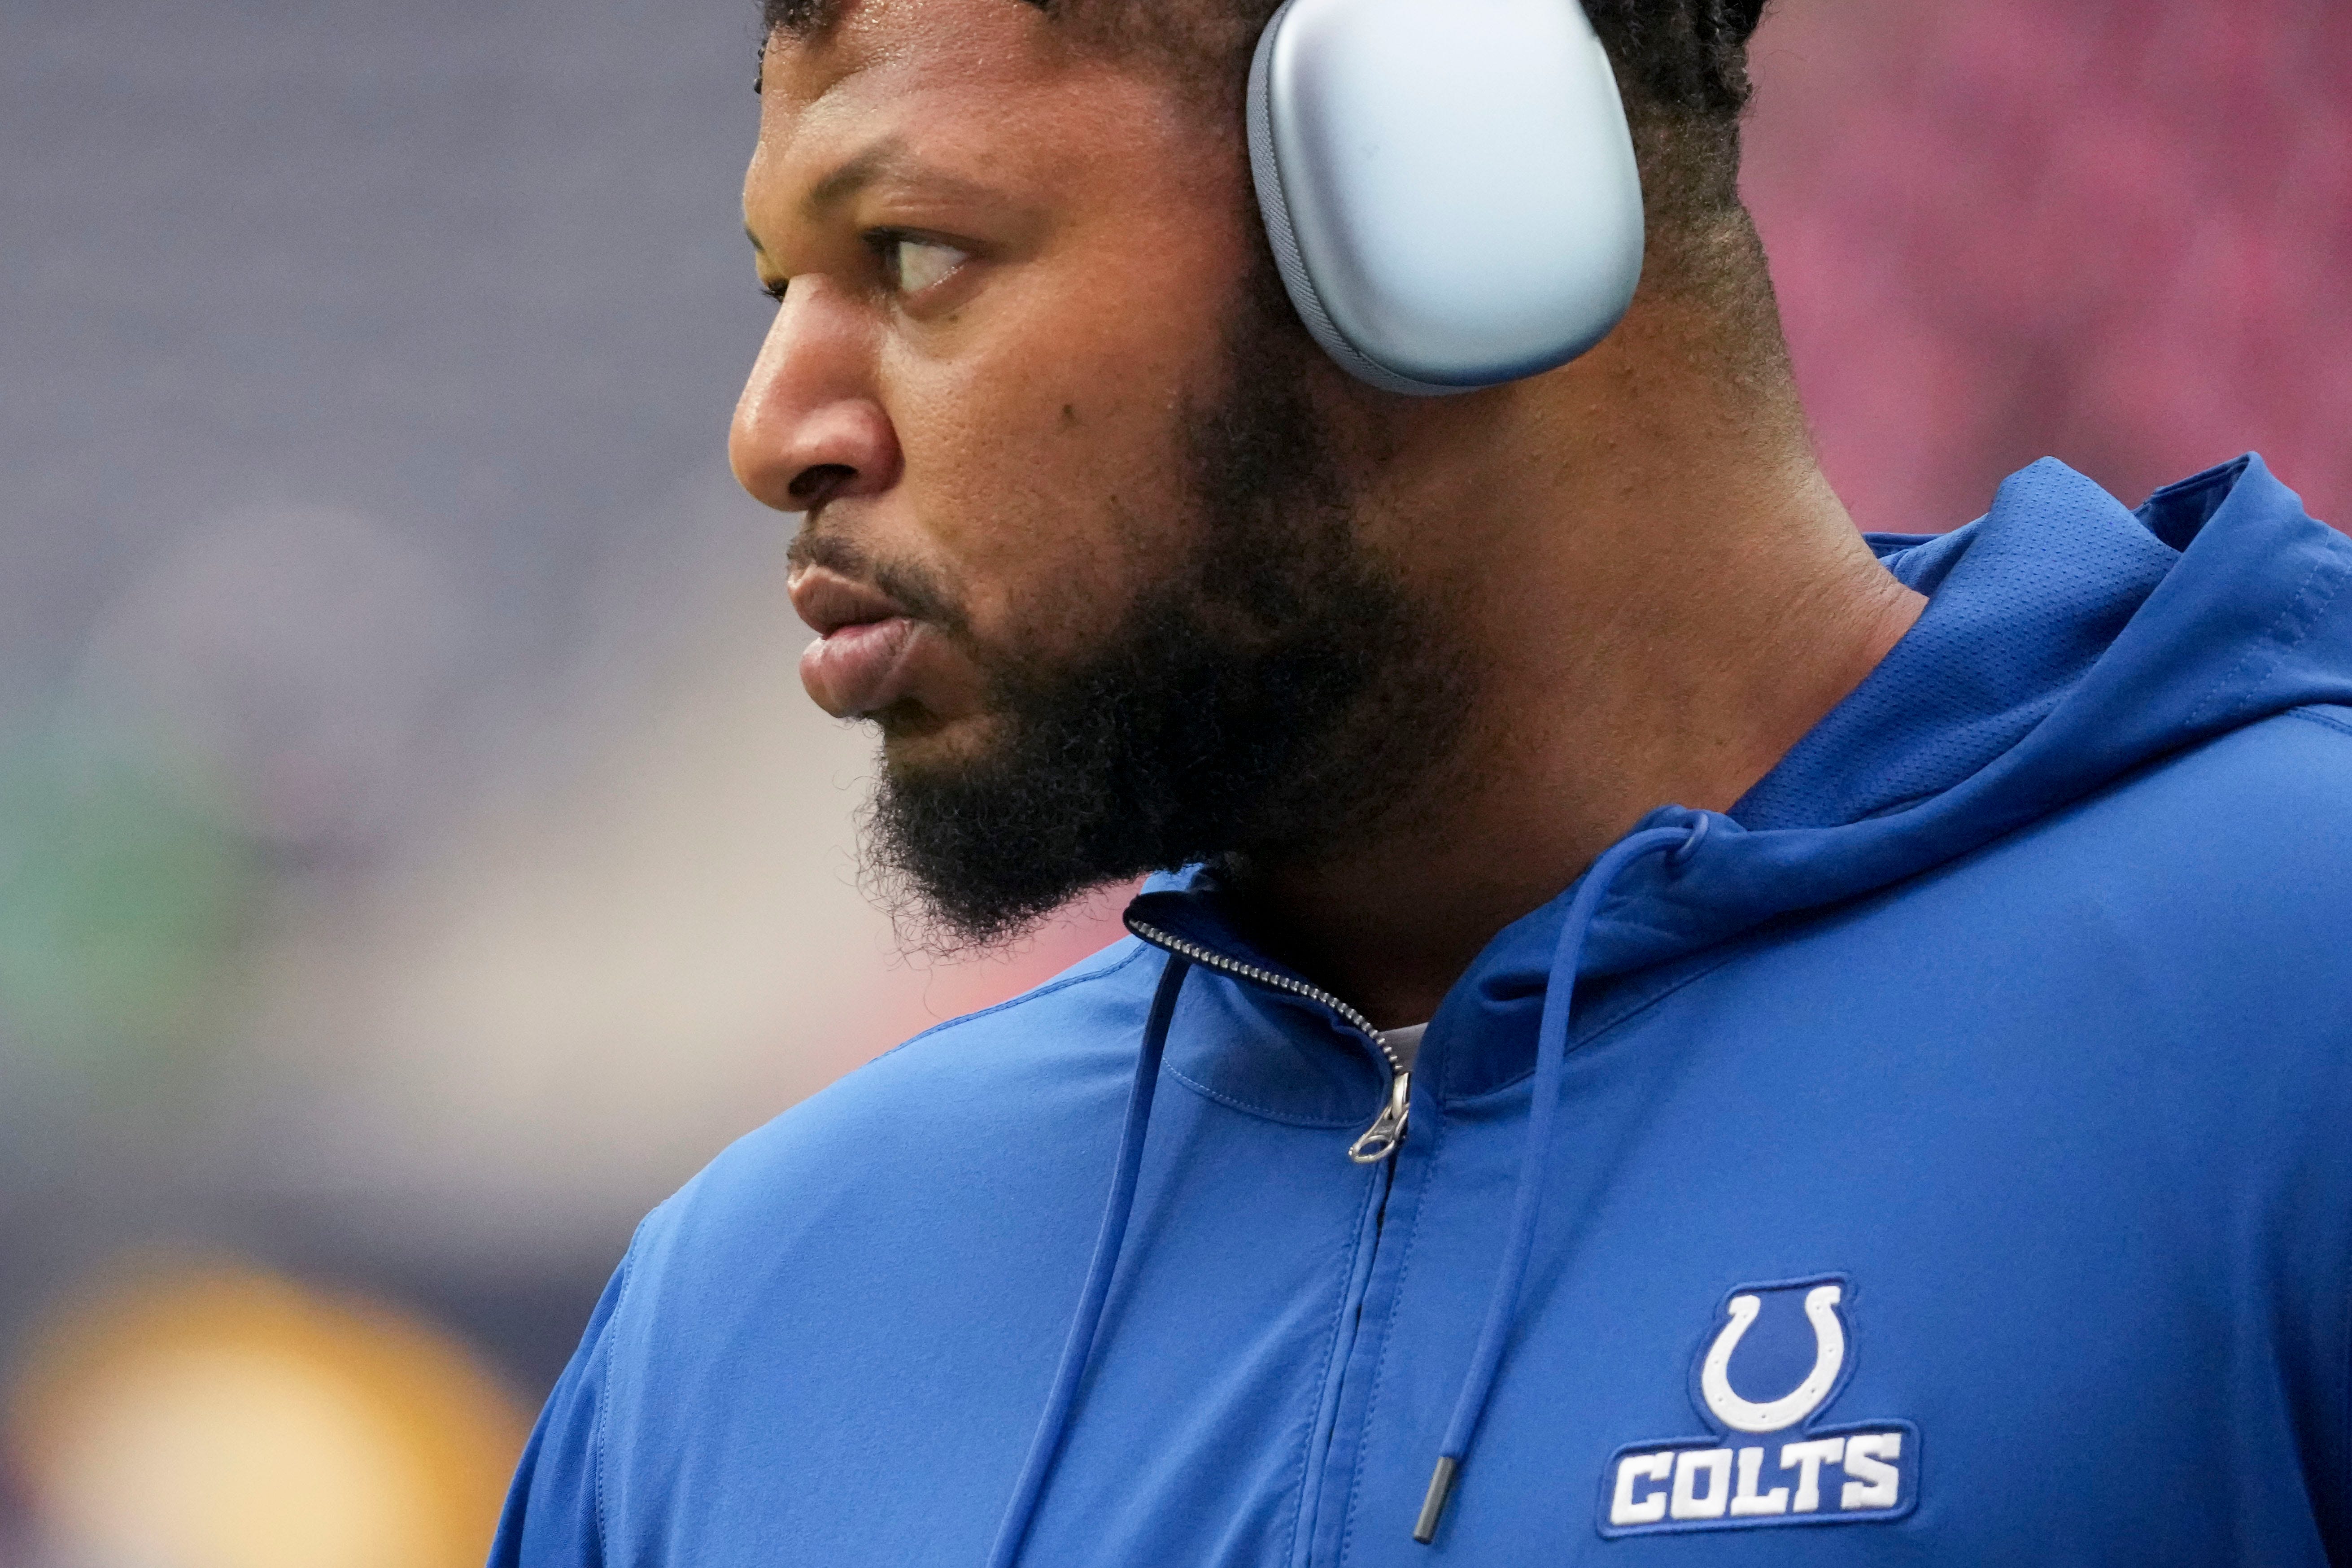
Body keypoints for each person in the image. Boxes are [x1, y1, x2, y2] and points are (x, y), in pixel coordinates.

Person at [492, 0, 2352, 1561]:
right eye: (778, 283)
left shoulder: (2291, 1014)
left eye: (913, 252)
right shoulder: (738, 1318)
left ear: (1435, 197)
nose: (772, 433)